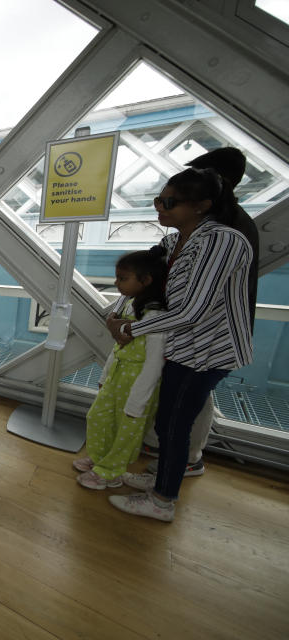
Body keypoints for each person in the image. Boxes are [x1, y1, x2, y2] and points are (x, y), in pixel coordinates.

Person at [106, 168, 253, 522]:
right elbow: (143, 284)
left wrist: (132, 327)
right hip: (181, 346)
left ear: (202, 205)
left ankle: (162, 499)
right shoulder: (174, 243)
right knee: (169, 419)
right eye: (159, 199)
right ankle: (161, 477)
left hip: (204, 351)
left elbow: (193, 310)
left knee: (174, 423)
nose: (161, 207)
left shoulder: (222, 242)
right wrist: (114, 314)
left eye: (170, 202)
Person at [139, 147, 259, 476]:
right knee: (181, 405)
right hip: (192, 336)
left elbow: (197, 305)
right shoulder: (218, 224)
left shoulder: (223, 231)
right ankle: (172, 462)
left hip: (206, 340)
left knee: (187, 406)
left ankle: (183, 463)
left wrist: (133, 327)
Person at [73, 249, 167, 490]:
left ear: (146, 281)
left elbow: (155, 361)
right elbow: (118, 348)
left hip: (137, 383)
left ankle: (110, 472)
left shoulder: (156, 316)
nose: (117, 283)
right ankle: (99, 457)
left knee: (127, 430)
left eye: (123, 278)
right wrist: (105, 375)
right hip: (117, 375)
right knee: (98, 417)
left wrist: (140, 398)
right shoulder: (130, 306)